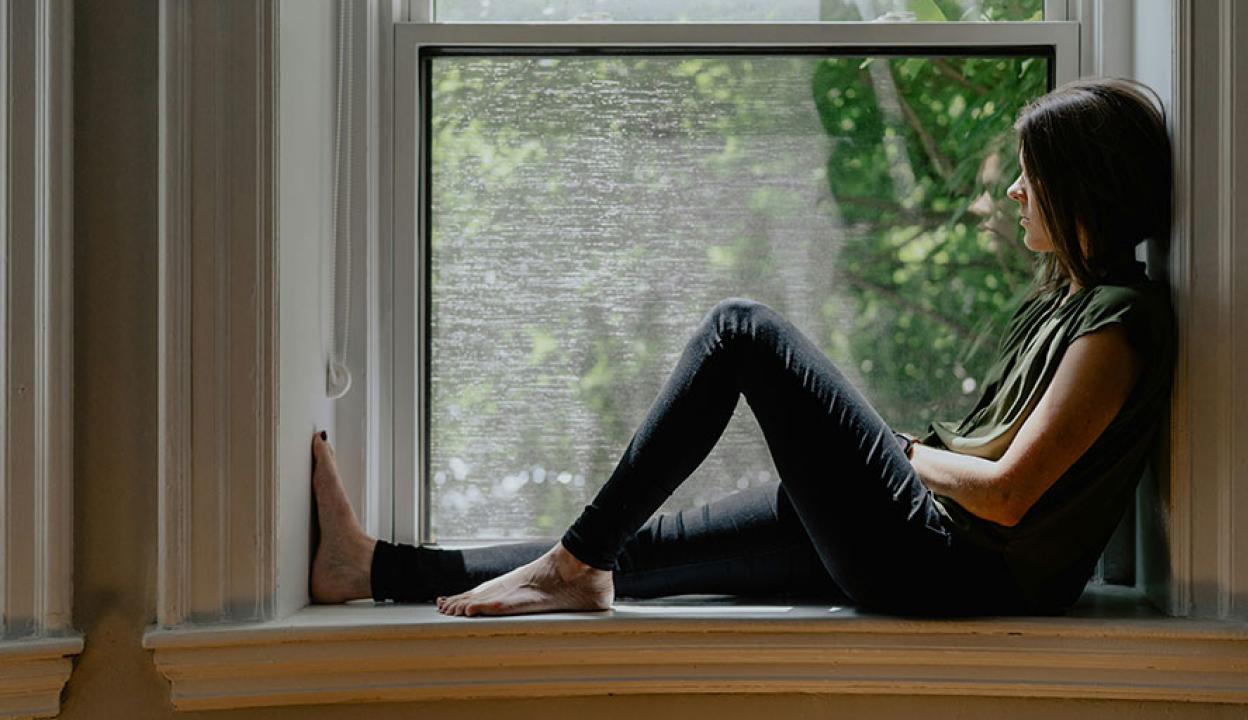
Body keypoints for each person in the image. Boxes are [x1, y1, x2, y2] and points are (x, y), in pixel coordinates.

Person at [309, 76, 1176, 618]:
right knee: (626, 551)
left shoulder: (1116, 326)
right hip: (928, 550)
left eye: (1035, 173)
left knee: (743, 330)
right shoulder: (1070, 303)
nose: (1018, 190)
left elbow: (1011, 496)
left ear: (1081, 186)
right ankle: (372, 569)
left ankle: (568, 565)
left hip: (951, 569)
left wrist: (894, 450)